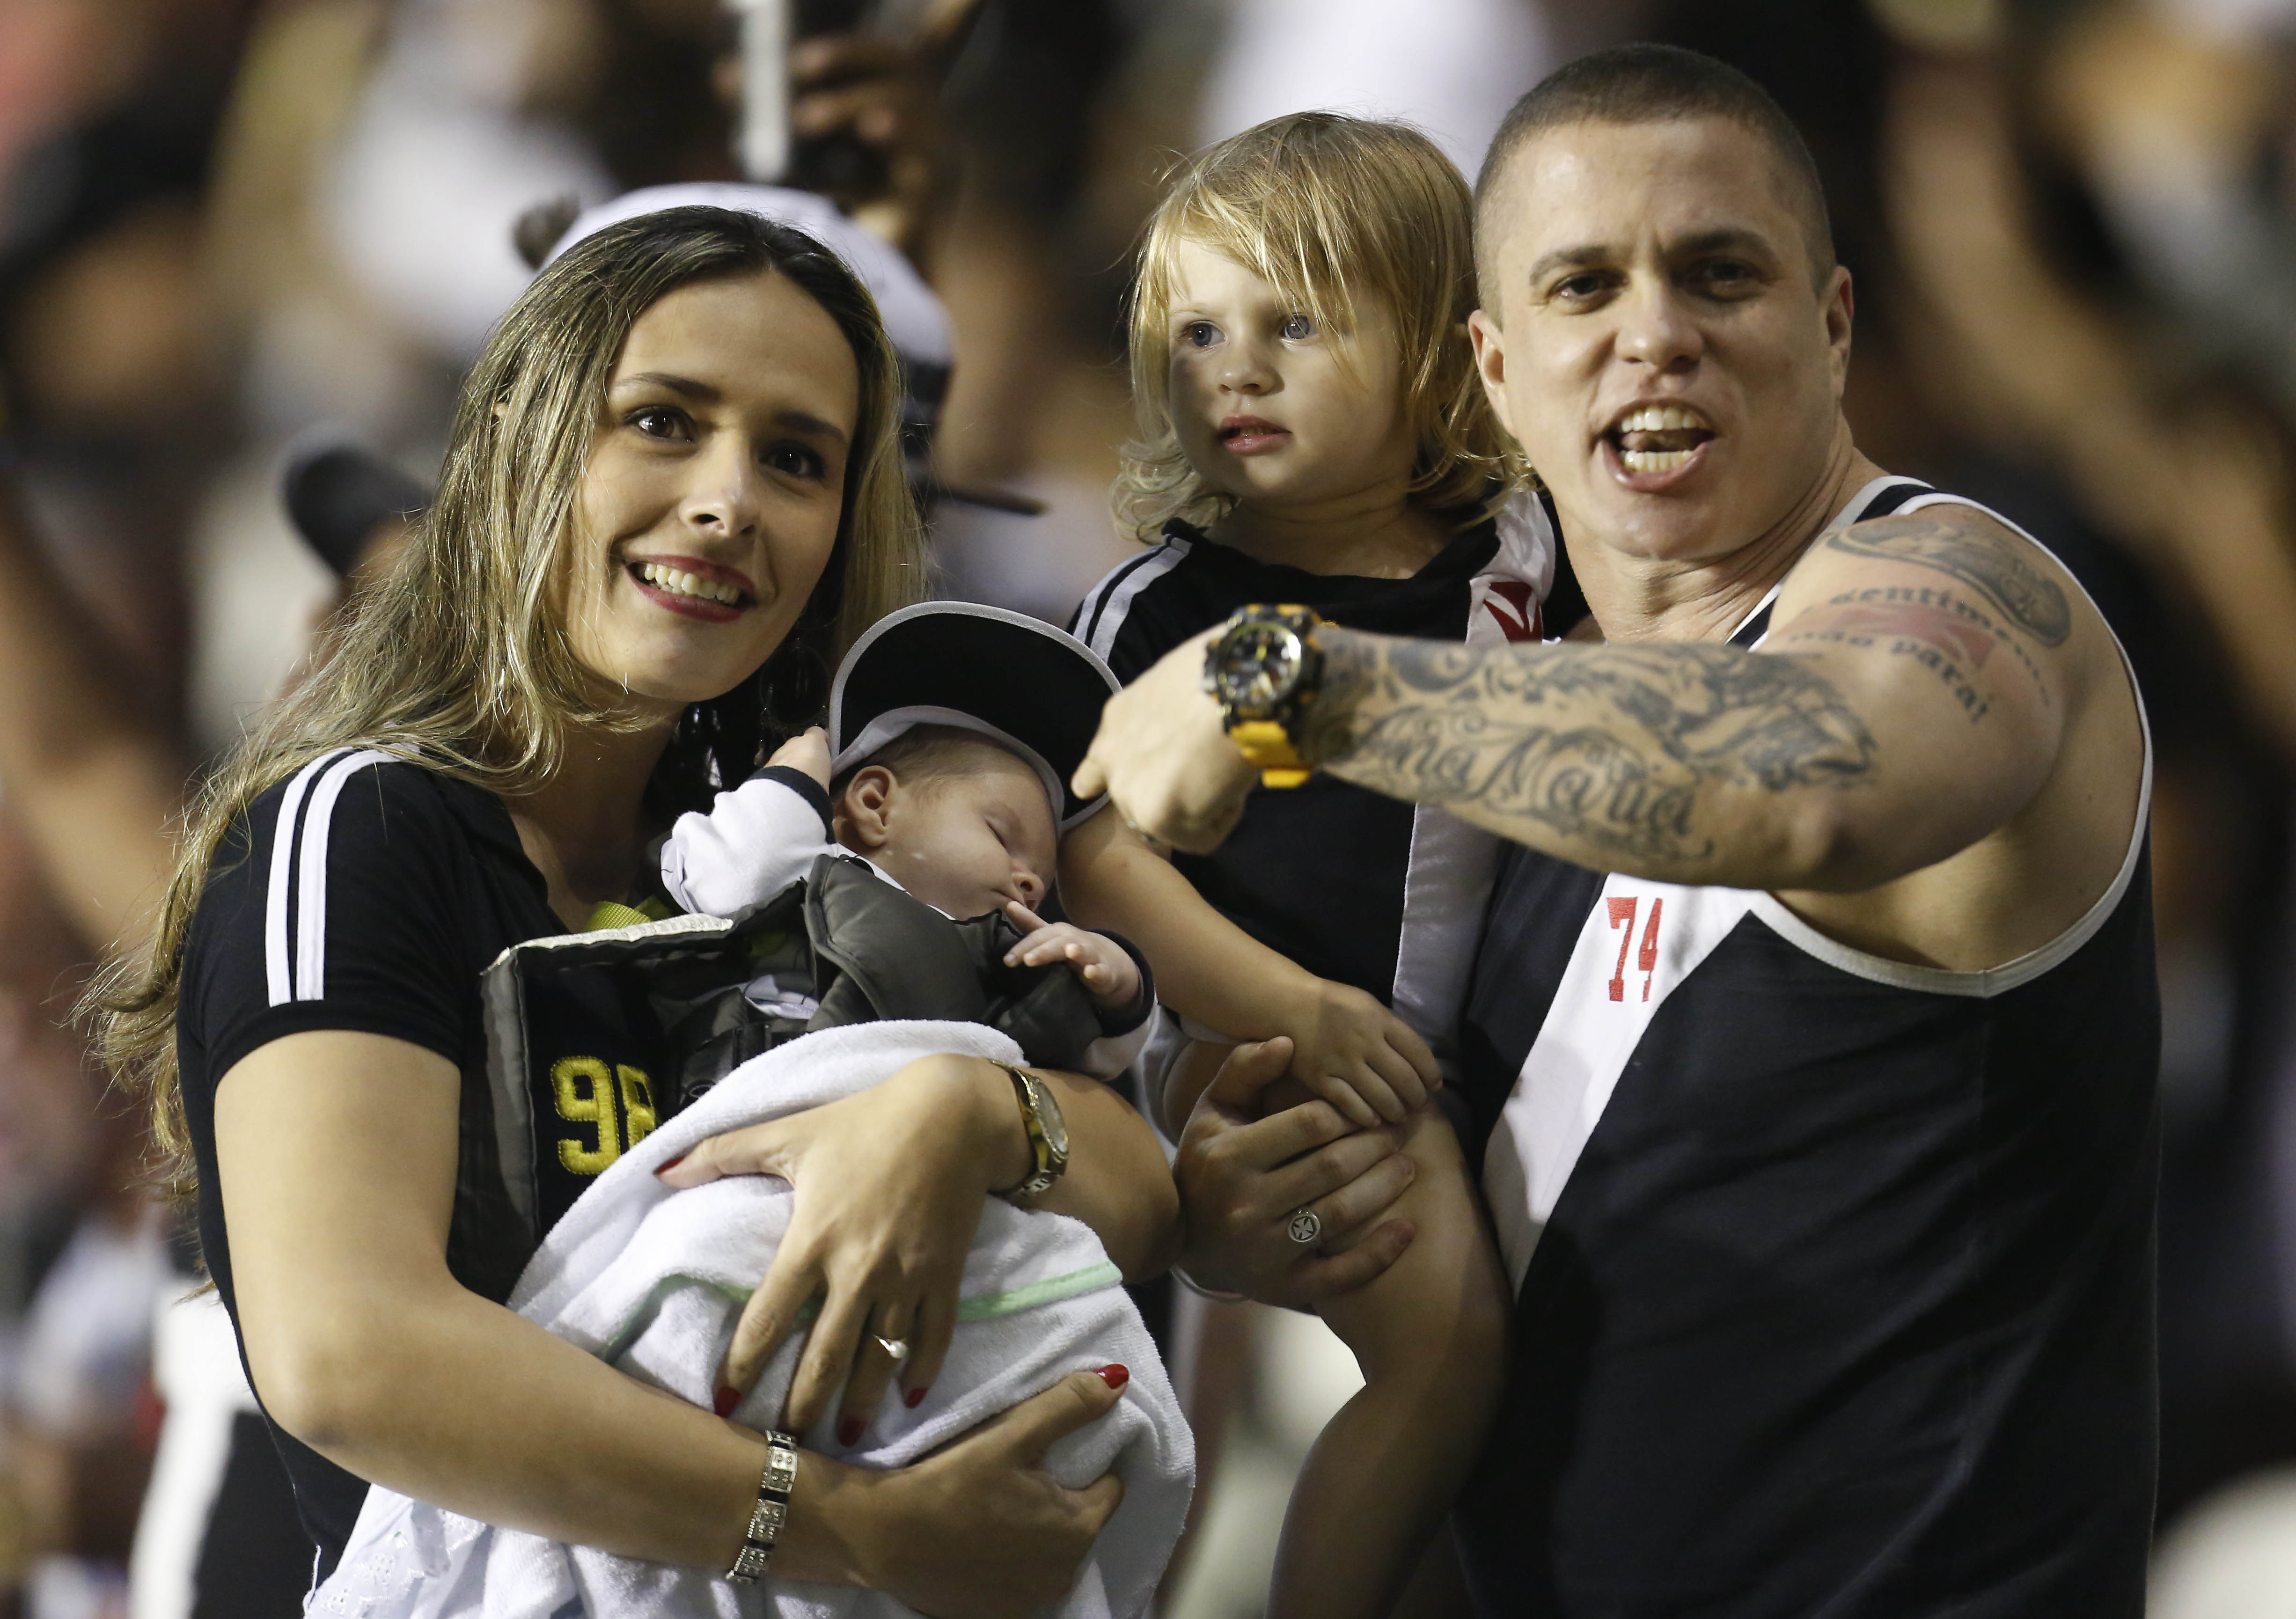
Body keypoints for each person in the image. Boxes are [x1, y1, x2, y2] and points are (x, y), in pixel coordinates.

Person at [1078, 44, 2158, 1618]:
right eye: (1582, 287)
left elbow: (1816, 774)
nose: (1655, 335)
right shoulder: (1496, 703)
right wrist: (1267, 1217)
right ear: (1494, 368)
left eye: (1720, 274)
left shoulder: (1956, 587)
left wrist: (1291, 679)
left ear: (1833, 324)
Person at [88, 205, 1179, 1613]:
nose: (729, 500)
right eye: (663, 421)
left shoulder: (802, 839)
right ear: (521, 441)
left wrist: (962, 1112)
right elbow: (347, 1353)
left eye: (796, 458)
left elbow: (1143, 1196)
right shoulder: (360, 826)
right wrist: (847, 1526)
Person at [1060, 113, 1530, 1619]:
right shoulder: (1160, 603)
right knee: (1445, 1348)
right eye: (1198, 333)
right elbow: (1101, 857)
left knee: (1495, 1392)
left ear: (1445, 351)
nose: (1236, 371)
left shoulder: (1517, 560)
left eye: (1296, 326)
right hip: (1252, 1050)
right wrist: (1294, 1008)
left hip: (1452, 1051)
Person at [660, 601, 1158, 1085]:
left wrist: (1119, 984)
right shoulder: (804, 871)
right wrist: (795, 778)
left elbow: (1092, 1058)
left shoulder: (999, 959)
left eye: (1042, 881)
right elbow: (735, 880)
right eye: (1001, 835)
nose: (1031, 884)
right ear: (875, 804)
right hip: (738, 1098)